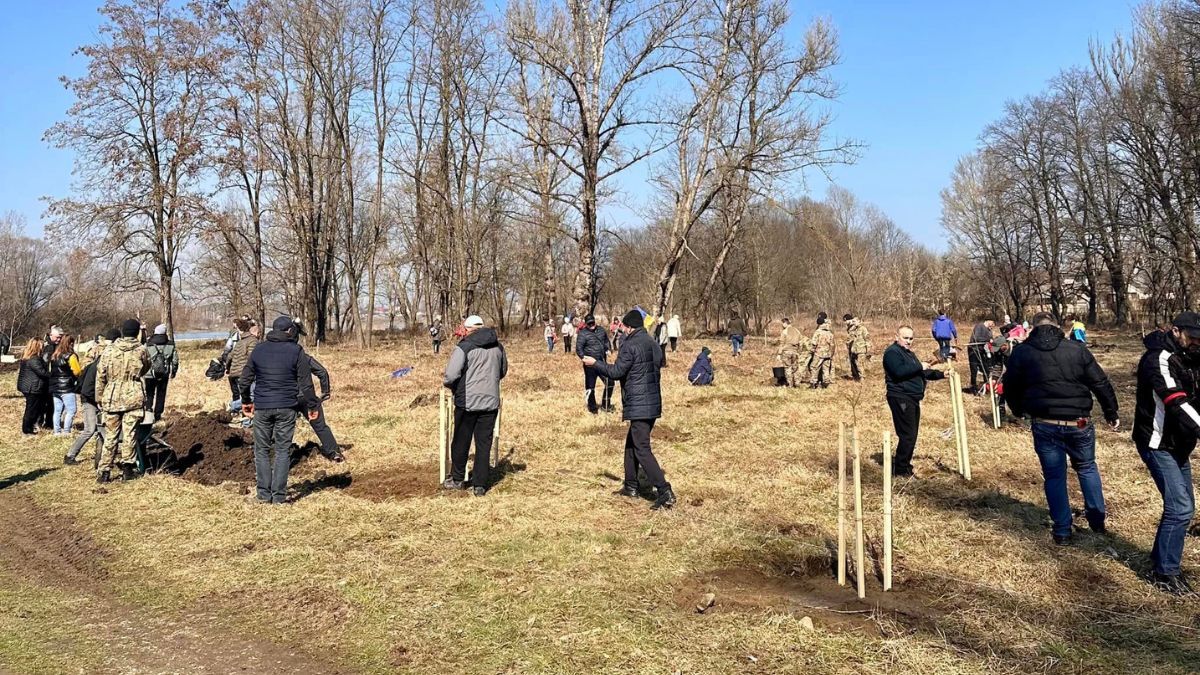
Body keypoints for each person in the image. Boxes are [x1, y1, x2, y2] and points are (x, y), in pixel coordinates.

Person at [1002, 312, 1119, 545]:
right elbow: (1100, 382)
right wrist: (1111, 412)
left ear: (1032, 328)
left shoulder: (1023, 352)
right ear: (1057, 326)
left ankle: (1063, 530)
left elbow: (1010, 386)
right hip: (1078, 422)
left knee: (1055, 476)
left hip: (1045, 423)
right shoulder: (1076, 349)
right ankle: (1097, 521)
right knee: (1086, 468)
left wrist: (1018, 410)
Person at [1132, 313, 1200, 594]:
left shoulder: (1192, 356)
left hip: (1180, 443)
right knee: (1180, 507)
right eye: (1193, 336)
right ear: (1176, 331)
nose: (1197, 341)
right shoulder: (1158, 357)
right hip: (1157, 443)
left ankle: (1160, 559)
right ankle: (1165, 573)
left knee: (1184, 507)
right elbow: (1175, 400)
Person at [582, 309, 675, 510]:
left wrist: (595, 363)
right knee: (631, 444)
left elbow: (616, 372)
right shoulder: (652, 343)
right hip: (652, 402)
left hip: (639, 404)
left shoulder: (629, 345)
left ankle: (665, 491)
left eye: (624, 327)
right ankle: (631, 485)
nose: (622, 330)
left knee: (641, 448)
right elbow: (657, 363)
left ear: (629, 327)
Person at [239, 316, 320, 504]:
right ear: (290, 332)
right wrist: (312, 406)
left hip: (263, 407)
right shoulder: (296, 351)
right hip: (287, 407)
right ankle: (279, 497)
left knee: (261, 450)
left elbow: (244, 380)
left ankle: (263, 495)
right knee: (283, 450)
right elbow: (306, 385)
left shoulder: (259, 349)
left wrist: (245, 401)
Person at [442, 315, 507, 496]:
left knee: (461, 441)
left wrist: (451, 386)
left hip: (467, 403)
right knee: (484, 444)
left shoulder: (464, 347)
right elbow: (503, 371)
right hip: (491, 402)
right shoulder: (498, 347)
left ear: (468, 329)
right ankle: (479, 485)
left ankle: (456, 479)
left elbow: (451, 375)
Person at [883, 326, 947, 477]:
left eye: (911, 338)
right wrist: (919, 365)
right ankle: (900, 470)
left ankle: (905, 465)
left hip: (912, 398)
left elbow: (921, 372)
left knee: (912, 434)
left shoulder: (909, 354)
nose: (909, 341)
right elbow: (899, 372)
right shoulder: (892, 353)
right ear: (896, 336)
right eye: (905, 338)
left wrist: (941, 374)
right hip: (900, 397)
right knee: (907, 434)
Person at [95, 319, 150, 483]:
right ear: (136, 332)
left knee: (110, 435)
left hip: (112, 396)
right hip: (133, 396)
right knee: (130, 434)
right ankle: (128, 469)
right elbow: (146, 367)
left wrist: (99, 397)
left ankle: (104, 471)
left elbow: (101, 374)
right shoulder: (141, 350)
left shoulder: (109, 350)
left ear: (123, 331)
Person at [287, 321, 345, 463]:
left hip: (287, 397)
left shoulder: (279, 358)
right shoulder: (303, 357)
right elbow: (322, 372)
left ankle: (283, 456)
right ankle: (334, 452)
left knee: (286, 428)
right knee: (320, 426)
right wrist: (325, 392)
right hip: (308, 397)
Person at [66, 339, 108, 465]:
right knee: (90, 429)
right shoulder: (95, 368)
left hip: (94, 399)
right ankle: (70, 456)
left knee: (101, 429)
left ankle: (103, 456)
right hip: (89, 400)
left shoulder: (96, 365)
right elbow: (86, 389)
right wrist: (98, 401)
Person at [575, 314, 613, 414]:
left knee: (610, 382)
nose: (592, 325)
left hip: (601, 363)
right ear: (586, 324)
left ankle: (606, 405)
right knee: (590, 387)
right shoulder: (582, 334)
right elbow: (579, 348)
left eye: (593, 323)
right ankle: (592, 408)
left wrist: (608, 349)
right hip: (589, 365)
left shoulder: (601, 330)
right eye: (589, 324)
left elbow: (606, 341)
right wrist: (583, 358)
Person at [142, 324, 178, 421]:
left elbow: (143, 358)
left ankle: (148, 412)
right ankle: (158, 414)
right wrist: (173, 371)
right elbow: (175, 360)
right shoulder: (170, 344)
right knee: (161, 394)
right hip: (164, 373)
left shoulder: (148, 344)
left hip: (149, 374)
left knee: (149, 393)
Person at [49, 334, 82, 436]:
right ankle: (66, 430)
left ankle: (57, 431)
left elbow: (51, 370)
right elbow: (77, 371)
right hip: (67, 387)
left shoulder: (55, 355)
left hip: (55, 387)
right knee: (71, 410)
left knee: (57, 410)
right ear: (71, 343)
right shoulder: (71, 356)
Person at [16, 338, 49, 436]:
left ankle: (29, 427)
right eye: (42, 345)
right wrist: (54, 374)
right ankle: (27, 430)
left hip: (28, 386)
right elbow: (42, 373)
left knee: (33, 408)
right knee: (31, 409)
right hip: (32, 387)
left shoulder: (27, 358)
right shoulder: (34, 359)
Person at [227, 318, 257, 414]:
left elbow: (229, 356)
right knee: (250, 398)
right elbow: (252, 358)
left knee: (243, 397)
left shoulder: (239, 343)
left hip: (233, 374)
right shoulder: (253, 341)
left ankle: (241, 415)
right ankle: (232, 406)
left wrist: (227, 369)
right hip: (244, 374)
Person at [776, 317, 806, 388]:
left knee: (788, 368)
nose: (782, 325)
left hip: (786, 352)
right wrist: (799, 351)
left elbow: (782, 343)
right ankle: (797, 382)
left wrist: (779, 354)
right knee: (795, 368)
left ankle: (790, 384)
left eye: (783, 323)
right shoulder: (797, 331)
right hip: (795, 352)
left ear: (785, 323)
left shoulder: (784, 332)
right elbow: (801, 342)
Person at [968, 320, 995, 394]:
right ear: (989, 323)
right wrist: (988, 340)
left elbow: (991, 338)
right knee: (974, 370)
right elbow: (976, 338)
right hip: (973, 350)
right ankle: (973, 387)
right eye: (991, 326)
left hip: (982, 351)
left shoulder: (988, 330)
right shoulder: (979, 326)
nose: (991, 328)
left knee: (986, 369)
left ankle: (986, 386)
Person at [809, 312, 835, 388]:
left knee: (814, 367)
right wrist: (831, 353)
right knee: (826, 368)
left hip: (819, 353)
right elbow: (833, 344)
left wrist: (812, 350)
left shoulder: (818, 332)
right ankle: (826, 383)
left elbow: (814, 343)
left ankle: (813, 383)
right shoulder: (829, 333)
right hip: (828, 354)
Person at [844, 314, 871, 381]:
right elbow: (851, 338)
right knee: (854, 362)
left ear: (859, 321)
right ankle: (857, 376)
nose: (853, 323)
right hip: (855, 349)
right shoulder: (855, 329)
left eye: (855, 321)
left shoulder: (863, 329)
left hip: (861, 349)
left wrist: (868, 349)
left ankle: (862, 378)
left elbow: (867, 339)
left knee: (860, 364)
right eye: (853, 321)